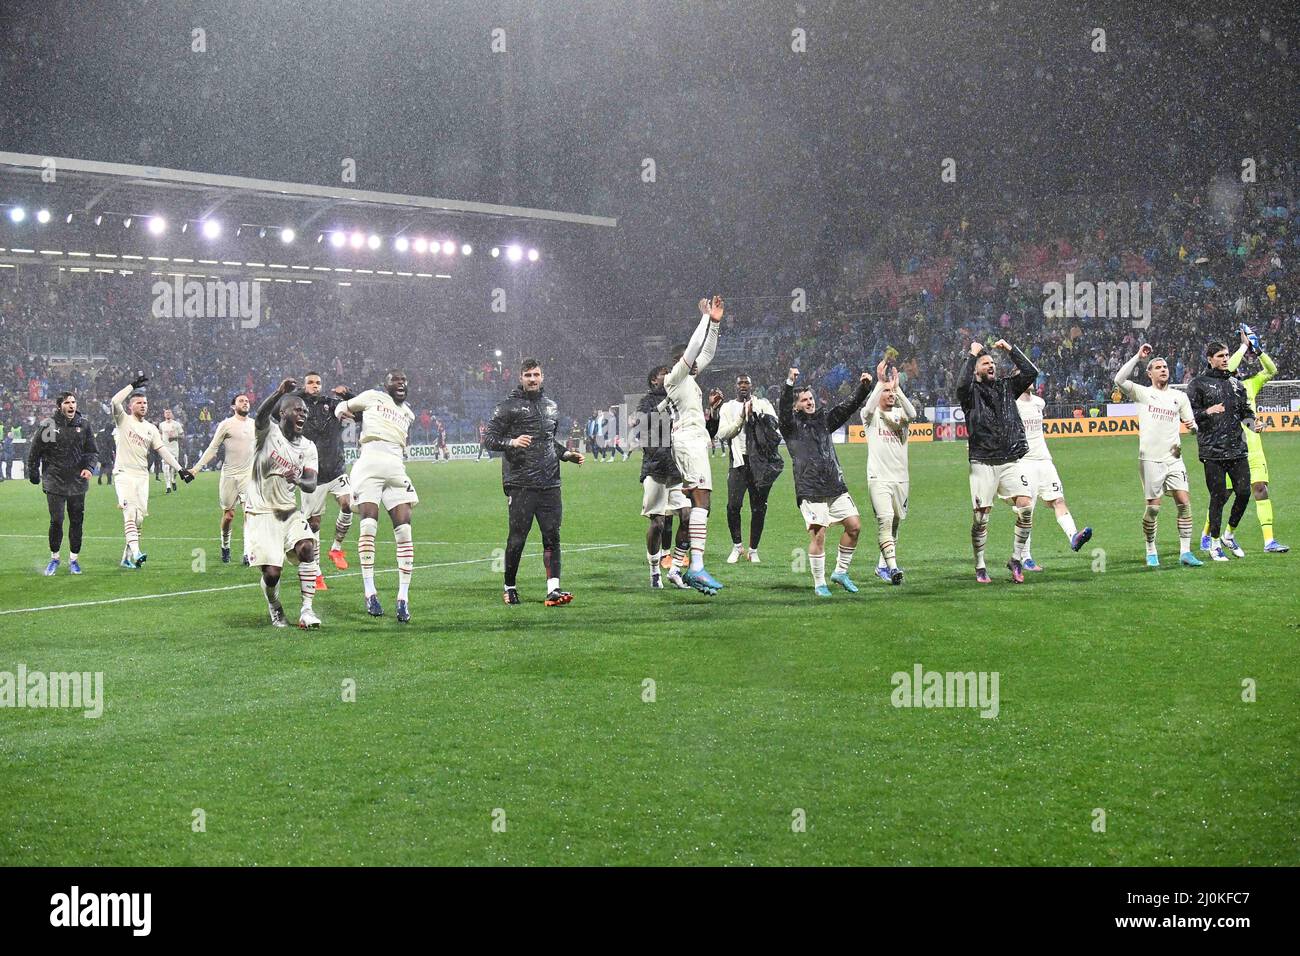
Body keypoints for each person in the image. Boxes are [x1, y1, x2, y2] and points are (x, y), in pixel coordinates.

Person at [481, 358, 585, 605]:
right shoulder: (507, 407)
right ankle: (509, 586)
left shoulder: (551, 406)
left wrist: (566, 455)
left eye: (536, 374)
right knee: (518, 537)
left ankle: (553, 590)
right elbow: (490, 439)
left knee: (553, 537)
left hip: (550, 482)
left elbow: (547, 441)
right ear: (520, 378)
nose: (532, 379)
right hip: (521, 483)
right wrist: (512, 442)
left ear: (542, 377)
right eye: (527, 375)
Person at [779, 367, 872, 596]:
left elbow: (846, 408)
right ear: (796, 405)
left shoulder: (823, 420)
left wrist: (863, 389)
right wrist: (789, 384)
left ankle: (840, 572)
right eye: (804, 400)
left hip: (834, 484)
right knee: (819, 535)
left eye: (811, 398)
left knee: (854, 526)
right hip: (810, 489)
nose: (810, 402)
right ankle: (819, 583)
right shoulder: (790, 427)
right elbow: (782, 411)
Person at [334, 370, 418, 622]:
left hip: (395, 465)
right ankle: (370, 592)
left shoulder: (409, 413)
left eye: (404, 380)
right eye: (396, 380)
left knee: (404, 531)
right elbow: (342, 407)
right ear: (386, 384)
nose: (401, 383)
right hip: (369, 461)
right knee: (369, 525)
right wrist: (343, 412)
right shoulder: (372, 397)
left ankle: (403, 598)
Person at [956, 339, 1039, 583]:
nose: (991, 365)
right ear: (976, 369)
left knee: (1026, 507)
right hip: (982, 462)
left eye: (992, 362)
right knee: (981, 517)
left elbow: (1031, 372)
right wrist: (971, 355)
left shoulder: (1006, 387)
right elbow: (960, 384)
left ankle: (1015, 559)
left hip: (1010, 459)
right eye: (985, 363)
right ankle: (980, 564)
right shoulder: (970, 393)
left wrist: (1011, 350)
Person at [1200, 328, 1288, 553]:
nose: (1233, 367)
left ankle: (1269, 541)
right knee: (1224, 495)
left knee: (1260, 489)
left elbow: (1271, 369)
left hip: (1254, 448)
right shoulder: (1219, 386)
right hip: (1230, 448)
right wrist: (1243, 346)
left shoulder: (1249, 385)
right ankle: (1207, 534)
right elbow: (1226, 367)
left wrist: (1257, 350)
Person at [1115, 344, 1202, 567]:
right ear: (1149, 373)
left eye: (1165, 367)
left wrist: (1192, 428)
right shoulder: (1143, 393)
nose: (1163, 370)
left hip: (1174, 457)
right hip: (1150, 458)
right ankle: (1150, 548)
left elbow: (1192, 426)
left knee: (1184, 502)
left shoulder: (1179, 397)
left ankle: (1185, 552)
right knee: (1153, 507)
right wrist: (1137, 356)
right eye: (1158, 367)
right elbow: (1119, 380)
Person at [245, 378, 321, 629]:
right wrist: (278, 392)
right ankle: (274, 605)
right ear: (283, 412)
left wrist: (298, 479)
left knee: (307, 548)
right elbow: (259, 416)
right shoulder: (268, 432)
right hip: (259, 510)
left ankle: (307, 611)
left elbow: (311, 482)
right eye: (298, 410)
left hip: (287, 510)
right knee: (272, 573)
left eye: (305, 412)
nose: (303, 414)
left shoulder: (308, 448)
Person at [663, 295, 725, 594]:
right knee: (702, 502)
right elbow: (694, 348)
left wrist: (715, 323)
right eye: (690, 361)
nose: (696, 363)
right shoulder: (674, 377)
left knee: (700, 507)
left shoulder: (689, 380)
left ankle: (681, 566)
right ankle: (696, 567)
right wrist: (703, 318)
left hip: (694, 441)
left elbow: (708, 352)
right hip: (687, 441)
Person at [1188, 341, 1264, 561]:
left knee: (1244, 493)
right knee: (1218, 497)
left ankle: (1228, 535)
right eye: (1220, 355)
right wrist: (1206, 411)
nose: (1224, 359)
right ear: (1210, 358)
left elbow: (1245, 413)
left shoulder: (1236, 384)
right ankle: (1213, 544)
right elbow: (1189, 414)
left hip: (1237, 449)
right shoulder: (1198, 384)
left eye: (1227, 355)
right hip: (1212, 452)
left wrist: (1253, 424)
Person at [110, 374, 192, 569]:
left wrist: (180, 469)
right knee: (130, 513)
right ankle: (137, 553)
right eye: (139, 403)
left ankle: (126, 558)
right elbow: (114, 401)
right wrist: (131, 386)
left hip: (142, 476)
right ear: (131, 406)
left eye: (145, 403)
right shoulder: (122, 420)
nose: (143, 406)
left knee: (138, 518)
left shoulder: (151, 429)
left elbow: (162, 450)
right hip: (123, 474)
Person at [1014, 386, 1093, 571]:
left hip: (1044, 460)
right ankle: (1025, 558)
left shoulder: (1039, 402)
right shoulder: (1012, 404)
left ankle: (1074, 537)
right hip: (1024, 461)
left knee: (1058, 500)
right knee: (1026, 510)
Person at [26, 392, 99, 575]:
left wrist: (89, 468)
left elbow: (92, 452)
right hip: (54, 481)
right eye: (67, 402)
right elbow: (36, 451)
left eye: (74, 402)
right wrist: (34, 472)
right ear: (60, 406)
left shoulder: (83, 425)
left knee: (76, 521)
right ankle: (55, 558)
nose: (71, 405)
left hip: (77, 482)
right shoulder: (49, 425)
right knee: (57, 520)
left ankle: (74, 560)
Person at [716, 373, 784, 565]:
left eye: (747, 383)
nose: (743, 386)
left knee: (758, 508)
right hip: (738, 462)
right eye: (740, 383)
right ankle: (737, 547)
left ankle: (753, 550)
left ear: (752, 386)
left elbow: (774, 429)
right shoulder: (728, 408)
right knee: (733, 506)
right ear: (734, 386)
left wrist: (757, 415)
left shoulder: (763, 404)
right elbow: (722, 434)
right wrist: (740, 419)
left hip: (760, 463)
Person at [297, 373, 355, 589]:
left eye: (318, 383)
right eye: (310, 382)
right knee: (314, 523)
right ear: (304, 386)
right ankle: (317, 572)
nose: (314, 386)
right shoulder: (298, 408)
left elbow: (358, 413)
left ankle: (336, 548)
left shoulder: (332, 405)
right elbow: (278, 413)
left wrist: (348, 394)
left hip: (337, 469)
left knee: (348, 504)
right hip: (313, 475)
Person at [636, 365, 691, 589]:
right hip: (656, 468)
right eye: (664, 375)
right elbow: (642, 425)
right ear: (653, 381)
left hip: (677, 470)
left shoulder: (678, 399)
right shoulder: (647, 402)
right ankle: (654, 570)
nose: (669, 377)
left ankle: (676, 568)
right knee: (658, 523)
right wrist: (663, 405)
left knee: (687, 516)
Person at [861, 361, 914, 584]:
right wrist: (880, 383)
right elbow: (868, 408)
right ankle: (893, 568)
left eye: (892, 392)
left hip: (901, 479)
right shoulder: (871, 418)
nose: (890, 395)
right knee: (885, 520)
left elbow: (912, 413)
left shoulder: (901, 416)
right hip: (878, 478)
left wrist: (897, 388)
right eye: (887, 393)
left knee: (895, 524)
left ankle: (882, 566)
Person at [190, 394, 256, 565]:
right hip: (229, 475)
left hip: (248, 476)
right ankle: (225, 546)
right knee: (228, 515)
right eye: (241, 401)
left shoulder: (255, 424)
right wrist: (196, 469)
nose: (245, 403)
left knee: (249, 513)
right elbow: (212, 449)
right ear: (233, 406)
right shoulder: (226, 425)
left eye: (247, 401)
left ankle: (247, 553)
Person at [158, 409, 185, 493]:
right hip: (165, 449)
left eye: (169, 412)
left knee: (174, 468)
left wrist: (174, 437)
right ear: (164, 414)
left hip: (174, 449)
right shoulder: (161, 425)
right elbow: (160, 434)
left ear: (172, 414)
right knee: (166, 467)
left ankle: (173, 480)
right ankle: (168, 486)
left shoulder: (177, 424)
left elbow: (182, 436)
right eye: (166, 413)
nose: (168, 414)